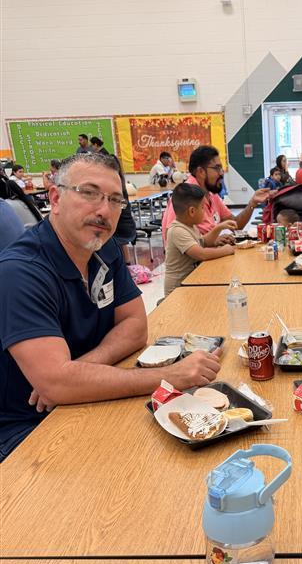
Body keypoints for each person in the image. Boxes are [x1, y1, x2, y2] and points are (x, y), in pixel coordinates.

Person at [0, 153, 223, 460]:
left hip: (89, 399)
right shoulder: (20, 272)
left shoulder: (104, 250)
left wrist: (79, 372)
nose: (104, 210)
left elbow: (135, 328)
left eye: (116, 200)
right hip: (29, 429)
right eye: (89, 193)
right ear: (55, 197)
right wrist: (172, 376)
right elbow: (55, 386)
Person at [161, 145, 269, 243]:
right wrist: (212, 242)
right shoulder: (185, 196)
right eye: (217, 168)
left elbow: (236, 224)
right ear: (201, 172)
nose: (222, 173)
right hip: (194, 263)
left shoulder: (211, 195)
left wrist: (252, 203)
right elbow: (171, 238)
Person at [164, 183, 237, 297]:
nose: (204, 211)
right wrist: (226, 250)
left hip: (191, 282)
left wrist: (219, 227)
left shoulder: (190, 225)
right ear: (192, 211)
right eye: (202, 207)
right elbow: (201, 254)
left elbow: (204, 242)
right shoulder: (177, 231)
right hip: (177, 291)